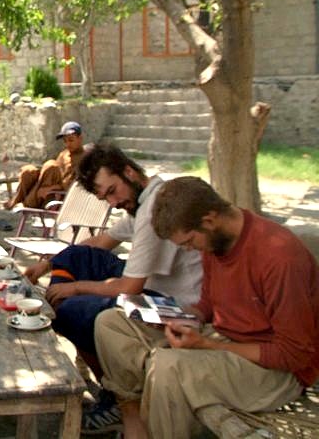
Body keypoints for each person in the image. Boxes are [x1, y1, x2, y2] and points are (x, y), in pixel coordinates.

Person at [95, 177, 319, 439]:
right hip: (223, 339)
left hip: (276, 372)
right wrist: (181, 319)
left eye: (189, 242)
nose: (190, 249)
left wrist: (208, 346)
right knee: (110, 322)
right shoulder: (216, 240)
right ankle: (134, 415)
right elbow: (209, 304)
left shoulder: (279, 258)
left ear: (210, 220)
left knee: (169, 366)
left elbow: (294, 355)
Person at [22, 143, 203, 432]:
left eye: (112, 191)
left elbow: (130, 287)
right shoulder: (141, 200)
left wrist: (77, 288)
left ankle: (115, 395)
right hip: (150, 285)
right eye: (104, 197)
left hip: (172, 303)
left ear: (129, 171)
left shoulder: (153, 209)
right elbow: (101, 242)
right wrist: (45, 265)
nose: (112, 202)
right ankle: (75, 323)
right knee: (75, 255)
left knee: (71, 312)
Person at [3, 120, 86, 210]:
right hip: (46, 187)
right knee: (28, 171)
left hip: (58, 194)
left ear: (80, 138)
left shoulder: (84, 158)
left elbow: (74, 184)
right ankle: (18, 200)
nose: (67, 144)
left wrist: (50, 188)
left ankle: (29, 202)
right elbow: (51, 175)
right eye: (65, 141)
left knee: (51, 165)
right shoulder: (64, 154)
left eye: (71, 140)